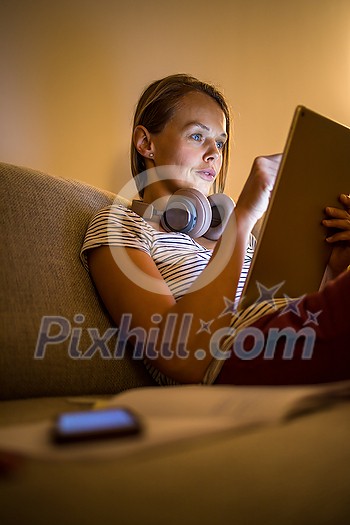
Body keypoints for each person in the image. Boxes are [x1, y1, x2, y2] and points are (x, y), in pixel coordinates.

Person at [81, 73, 350, 386]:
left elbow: (294, 309)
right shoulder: (120, 226)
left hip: (287, 340)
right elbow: (180, 357)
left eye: (220, 143)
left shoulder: (241, 240)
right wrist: (242, 217)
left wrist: (333, 271)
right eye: (197, 136)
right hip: (234, 361)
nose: (214, 154)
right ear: (146, 143)